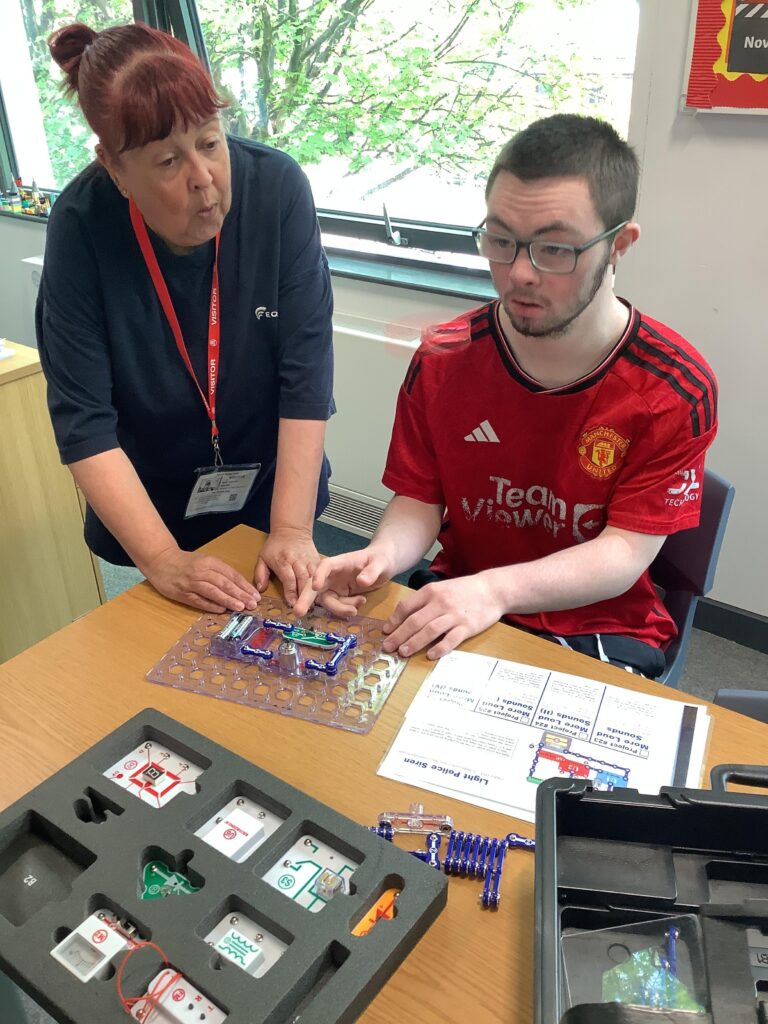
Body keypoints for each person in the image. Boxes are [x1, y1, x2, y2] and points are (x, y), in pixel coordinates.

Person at [295, 114, 718, 678]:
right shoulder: (443, 359)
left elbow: (623, 554)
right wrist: (383, 558)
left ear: (618, 245)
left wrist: (494, 591)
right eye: (500, 240)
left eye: (555, 249)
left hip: (599, 623)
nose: (519, 272)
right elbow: (420, 502)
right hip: (458, 594)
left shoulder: (673, 387)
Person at [37, 22, 334, 614]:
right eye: (168, 160)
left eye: (211, 142)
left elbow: (305, 377)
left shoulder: (277, 190)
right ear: (115, 169)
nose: (203, 179)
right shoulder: (80, 227)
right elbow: (84, 423)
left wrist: (294, 532)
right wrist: (164, 561)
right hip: (149, 504)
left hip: (274, 491)